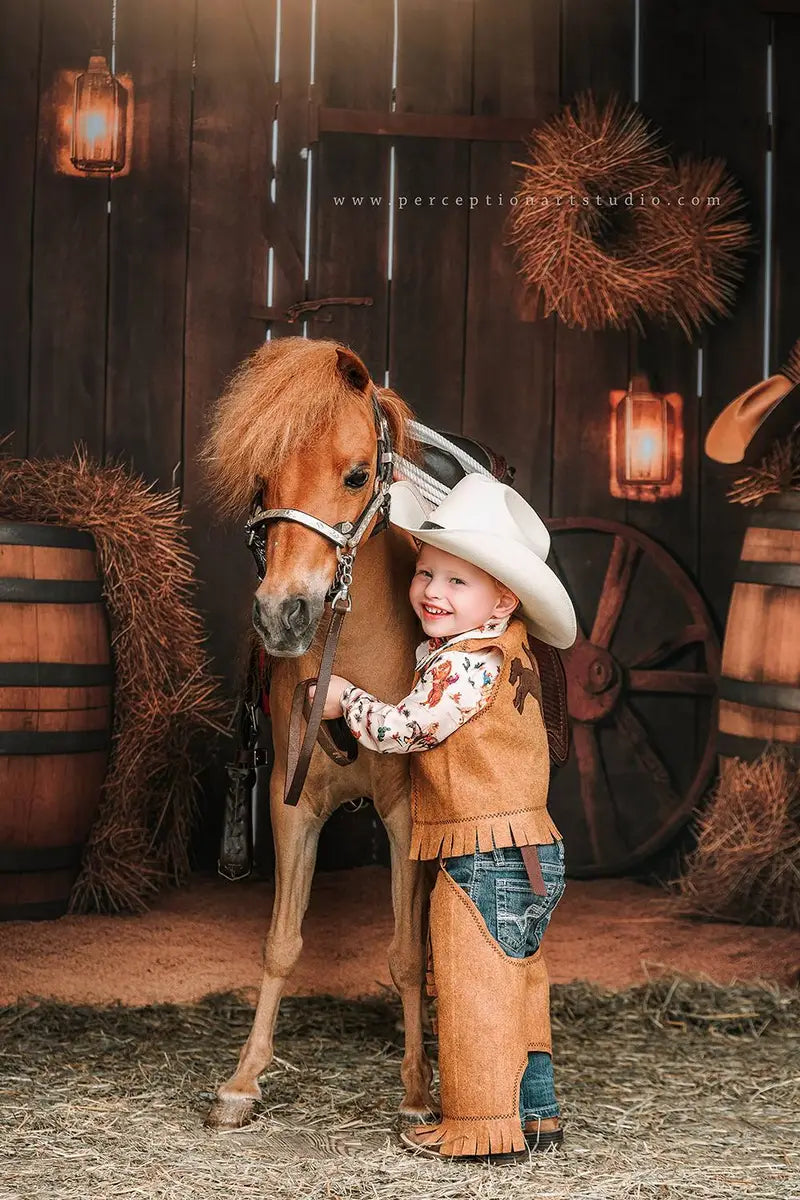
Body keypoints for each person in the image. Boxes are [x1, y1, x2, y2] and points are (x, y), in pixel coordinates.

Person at [311, 473, 577, 1164]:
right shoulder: (506, 649)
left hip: (485, 853)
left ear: (503, 597)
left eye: (458, 582)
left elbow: (409, 729)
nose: (432, 591)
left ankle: (481, 1127)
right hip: (527, 848)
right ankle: (535, 1114)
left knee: (474, 986)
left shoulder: (464, 666)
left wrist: (348, 700)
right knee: (519, 981)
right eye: (426, 572)